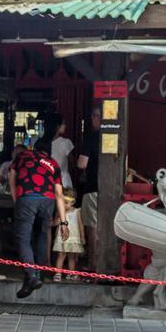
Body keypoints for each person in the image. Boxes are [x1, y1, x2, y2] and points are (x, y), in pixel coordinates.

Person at [9, 141, 69, 298]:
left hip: (27, 197)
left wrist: (18, 201)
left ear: (34, 149)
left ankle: (31, 275)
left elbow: (12, 179)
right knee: (42, 235)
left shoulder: (22, 156)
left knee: (23, 238)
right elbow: (59, 195)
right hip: (47, 201)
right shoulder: (52, 163)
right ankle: (38, 274)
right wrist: (63, 222)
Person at [75, 108, 102, 268]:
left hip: (92, 188)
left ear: (96, 118)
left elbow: (82, 164)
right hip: (113, 191)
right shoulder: (118, 137)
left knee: (93, 227)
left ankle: (93, 263)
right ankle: (106, 262)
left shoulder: (91, 138)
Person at [52, 189, 85, 282]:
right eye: (63, 202)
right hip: (62, 237)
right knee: (60, 255)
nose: (64, 205)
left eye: (66, 203)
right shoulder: (60, 212)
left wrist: (82, 236)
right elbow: (55, 223)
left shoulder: (77, 211)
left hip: (73, 238)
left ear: (73, 202)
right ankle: (58, 273)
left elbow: (80, 224)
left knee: (72, 256)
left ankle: (71, 273)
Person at [50, 120, 75, 189]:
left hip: (48, 182)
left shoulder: (42, 144)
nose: (65, 126)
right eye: (63, 123)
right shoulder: (66, 142)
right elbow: (72, 163)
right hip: (64, 181)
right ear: (57, 126)